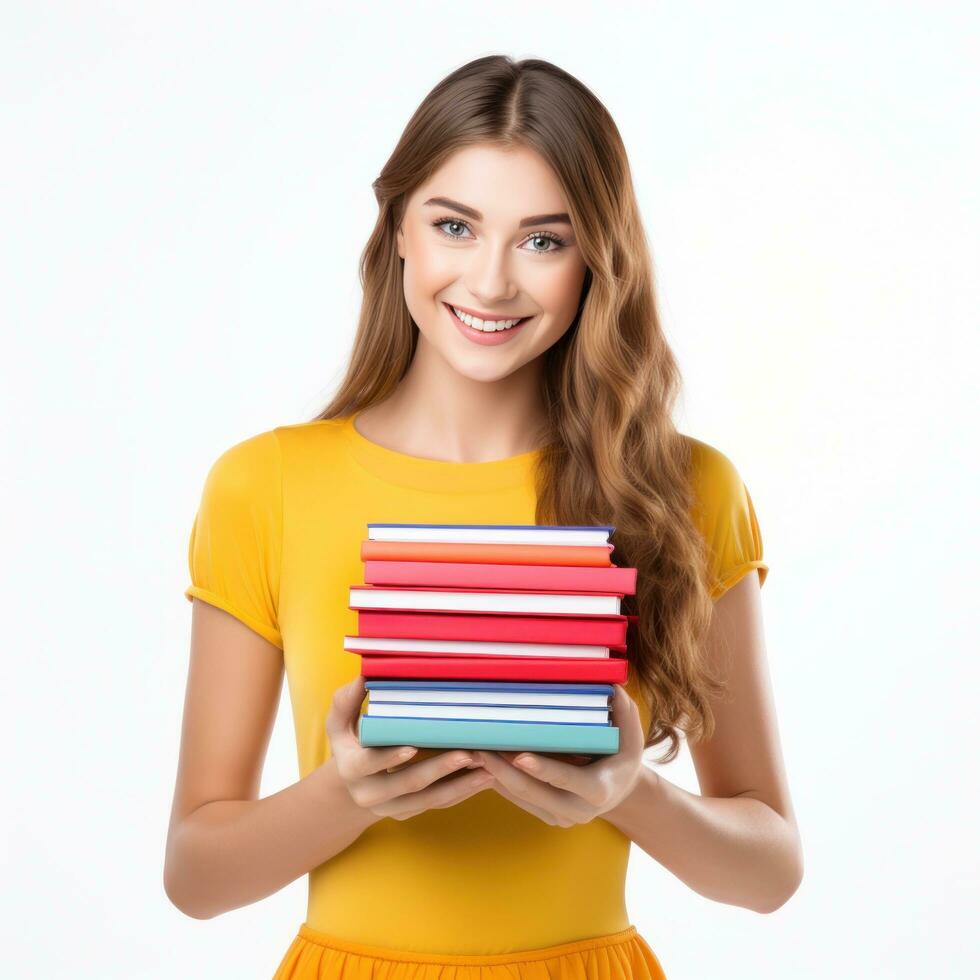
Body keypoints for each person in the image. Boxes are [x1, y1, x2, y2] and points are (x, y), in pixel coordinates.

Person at [164, 54, 803, 979]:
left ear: (598, 261)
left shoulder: (686, 489)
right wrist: (349, 793)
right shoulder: (264, 487)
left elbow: (770, 872)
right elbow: (196, 876)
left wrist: (630, 794)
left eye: (545, 239)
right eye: (455, 226)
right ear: (397, 232)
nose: (492, 281)